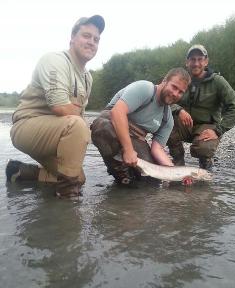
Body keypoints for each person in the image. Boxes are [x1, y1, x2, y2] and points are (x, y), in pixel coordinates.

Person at [6, 15, 105, 199]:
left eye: (96, 39)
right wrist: (73, 111)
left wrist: (73, 111)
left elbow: (74, 112)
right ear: (72, 39)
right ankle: (67, 201)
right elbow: (62, 109)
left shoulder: (87, 78)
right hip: (27, 127)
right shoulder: (54, 60)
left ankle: (19, 172)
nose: (92, 42)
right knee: (76, 126)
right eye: (86, 36)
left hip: (58, 131)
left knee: (78, 177)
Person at [91, 68, 191, 185]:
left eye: (180, 92)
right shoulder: (145, 88)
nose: (175, 94)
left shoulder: (168, 119)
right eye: (174, 87)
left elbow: (157, 148)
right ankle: (120, 172)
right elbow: (117, 112)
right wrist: (128, 150)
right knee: (105, 130)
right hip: (110, 124)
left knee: (152, 181)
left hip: (136, 140)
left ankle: (128, 183)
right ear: (164, 81)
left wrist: (177, 173)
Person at [167, 44, 235, 170]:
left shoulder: (218, 81)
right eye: (192, 59)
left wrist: (218, 130)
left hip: (207, 126)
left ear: (206, 62)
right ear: (187, 62)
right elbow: (165, 98)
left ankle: (206, 163)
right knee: (165, 124)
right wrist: (178, 109)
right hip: (184, 124)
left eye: (200, 59)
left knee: (203, 149)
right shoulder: (180, 79)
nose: (196, 63)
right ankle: (177, 162)